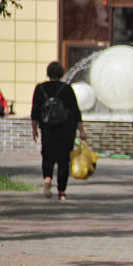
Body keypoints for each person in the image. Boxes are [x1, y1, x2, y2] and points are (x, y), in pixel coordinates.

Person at [30, 61, 87, 201]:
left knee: (47, 156)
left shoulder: (40, 88)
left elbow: (35, 111)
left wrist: (34, 129)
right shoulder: (67, 89)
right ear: (61, 73)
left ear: (48, 73)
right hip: (66, 129)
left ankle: (48, 178)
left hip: (47, 128)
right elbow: (75, 111)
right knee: (63, 160)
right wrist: (82, 131)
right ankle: (61, 192)